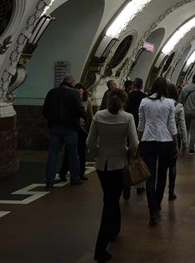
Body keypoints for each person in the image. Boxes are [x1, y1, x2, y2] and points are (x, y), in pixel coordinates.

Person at [87, 88, 138, 262]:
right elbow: (134, 143)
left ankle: (114, 229)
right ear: (124, 101)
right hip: (119, 163)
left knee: (110, 197)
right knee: (110, 202)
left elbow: (90, 141)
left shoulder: (99, 116)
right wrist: (129, 155)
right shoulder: (127, 117)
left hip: (102, 165)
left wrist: (97, 153)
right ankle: (100, 248)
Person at [137, 77, 178, 226]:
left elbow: (141, 124)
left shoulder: (144, 102)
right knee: (162, 175)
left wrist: (138, 142)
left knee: (150, 176)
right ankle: (158, 203)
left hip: (148, 141)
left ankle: (152, 209)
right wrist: (176, 143)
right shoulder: (169, 103)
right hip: (165, 141)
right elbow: (172, 125)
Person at [42, 74, 87, 189]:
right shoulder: (73, 93)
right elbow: (79, 109)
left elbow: (45, 111)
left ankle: (49, 181)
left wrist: (51, 120)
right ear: (72, 83)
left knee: (52, 153)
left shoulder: (51, 92)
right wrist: (87, 118)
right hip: (70, 127)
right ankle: (74, 179)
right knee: (73, 153)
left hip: (55, 126)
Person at [58, 82, 93, 182]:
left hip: (82, 129)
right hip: (72, 127)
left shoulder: (87, 101)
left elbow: (90, 116)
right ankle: (63, 172)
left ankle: (81, 172)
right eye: (78, 89)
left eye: (81, 89)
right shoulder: (71, 99)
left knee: (81, 152)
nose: (79, 91)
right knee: (70, 151)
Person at [166, 82, 188, 201]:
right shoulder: (178, 106)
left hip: (160, 137)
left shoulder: (158, 104)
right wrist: (185, 142)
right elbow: (182, 125)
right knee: (172, 165)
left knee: (161, 167)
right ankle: (171, 191)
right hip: (174, 137)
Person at [126, 77, 146, 196]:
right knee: (140, 155)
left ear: (133, 85)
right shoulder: (145, 97)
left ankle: (127, 184)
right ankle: (140, 183)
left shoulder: (128, 96)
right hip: (140, 128)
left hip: (129, 125)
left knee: (128, 155)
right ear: (142, 85)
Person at [178, 74, 195, 153]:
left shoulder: (184, 89)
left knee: (184, 129)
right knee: (193, 131)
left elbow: (180, 101)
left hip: (185, 111)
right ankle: (191, 148)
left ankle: (183, 145)